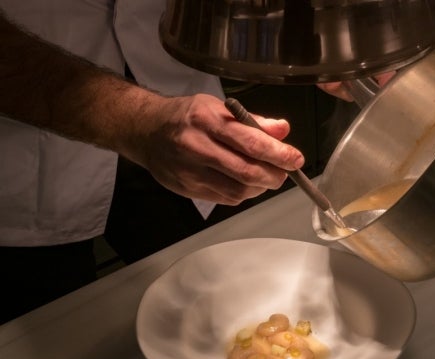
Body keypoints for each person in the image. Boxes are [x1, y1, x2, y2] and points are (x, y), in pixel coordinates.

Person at [0, 2, 316, 323]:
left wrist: (316, 33)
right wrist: (139, 122)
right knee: (52, 333)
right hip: (24, 148)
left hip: (187, 108)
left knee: (235, 308)